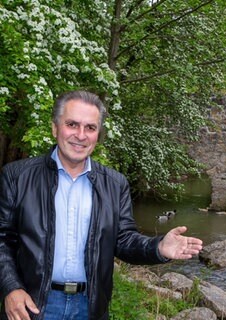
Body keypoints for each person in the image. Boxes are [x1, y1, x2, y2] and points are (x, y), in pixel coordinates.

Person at [0, 90, 203, 320]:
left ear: (98, 134)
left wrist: (158, 248)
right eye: (72, 124)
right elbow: (2, 239)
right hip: (32, 304)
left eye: (90, 128)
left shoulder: (115, 185)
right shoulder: (17, 176)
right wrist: (10, 287)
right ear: (55, 128)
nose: (80, 135)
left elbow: (123, 240)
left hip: (90, 307)